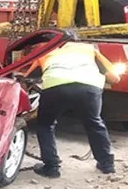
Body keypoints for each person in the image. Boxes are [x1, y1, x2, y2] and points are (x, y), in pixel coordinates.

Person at [31, 40, 122, 178]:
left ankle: (51, 167)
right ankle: (107, 165)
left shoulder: (47, 52)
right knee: (94, 123)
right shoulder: (89, 50)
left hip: (55, 86)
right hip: (88, 88)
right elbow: (115, 78)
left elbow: (28, 78)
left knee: (45, 124)